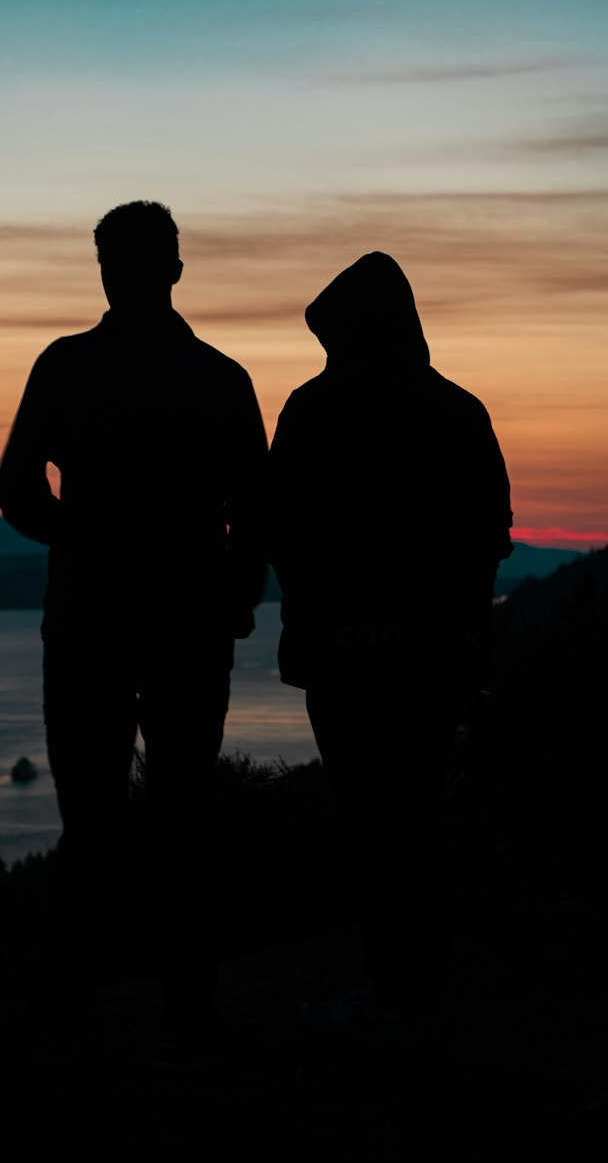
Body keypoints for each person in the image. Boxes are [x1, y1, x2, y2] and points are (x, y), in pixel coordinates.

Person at [0, 200, 268, 1043]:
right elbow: (257, 515)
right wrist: (234, 597)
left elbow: (17, 490)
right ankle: (185, 1015)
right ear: (175, 269)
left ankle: (64, 1017)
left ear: (109, 269)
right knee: (184, 816)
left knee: (91, 825)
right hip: (180, 625)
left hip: (91, 624)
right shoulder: (220, 379)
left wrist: (83, 537)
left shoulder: (70, 366)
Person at [266, 251, 512, 1035]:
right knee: (413, 816)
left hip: (343, 657)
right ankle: (417, 987)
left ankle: (397, 993)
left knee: (373, 824)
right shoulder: (459, 411)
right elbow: (491, 537)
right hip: (436, 657)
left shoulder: (311, 409)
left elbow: (278, 527)